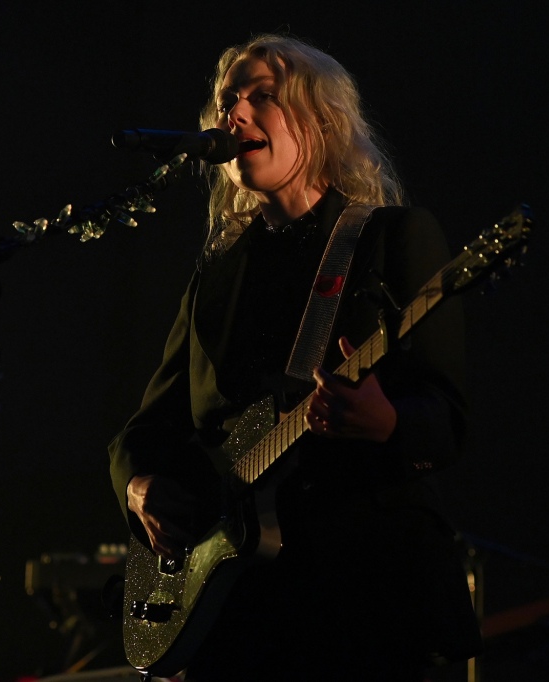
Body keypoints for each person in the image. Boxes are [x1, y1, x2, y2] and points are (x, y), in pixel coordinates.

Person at [109, 34, 481, 681]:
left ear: (322, 119)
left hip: (358, 602)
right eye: (229, 100)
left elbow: (445, 416)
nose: (237, 113)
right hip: (235, 612)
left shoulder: (392, 239)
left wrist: (386, 421)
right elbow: (149, 427)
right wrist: (140, 487)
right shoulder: (217, 274)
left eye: (262, 96)